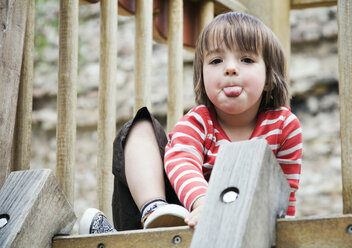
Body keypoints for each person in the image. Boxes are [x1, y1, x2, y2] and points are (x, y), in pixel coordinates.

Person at [79, 11, 302, 234]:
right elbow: (182, 161)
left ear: (269, 78)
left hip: (243, 226)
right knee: (140, 126)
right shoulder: (198, 122)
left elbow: (285, 192)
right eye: (216, 60)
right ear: (202, 77)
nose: (230, 68)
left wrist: (282, 235)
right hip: (180, 215)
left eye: (246, 59)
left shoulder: (283, 125)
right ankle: (153, 209)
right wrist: (204, 203)